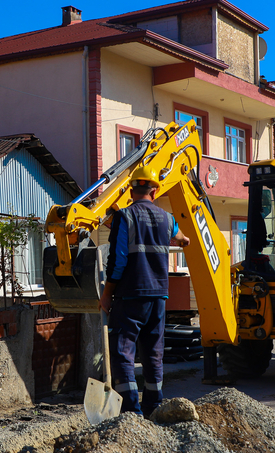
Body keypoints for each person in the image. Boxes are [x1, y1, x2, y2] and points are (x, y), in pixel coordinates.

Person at [99, 165, 190, 418]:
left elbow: (118, 261)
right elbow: (181, 236)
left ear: (131, 190)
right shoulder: (168, 219)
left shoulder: (124, 217)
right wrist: (183, 240)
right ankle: (154, 407)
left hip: (130, 295)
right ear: (155, 190)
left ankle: (132, 413)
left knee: (122, 352)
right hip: (158, 296)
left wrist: (107, 294)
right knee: (153, 353)